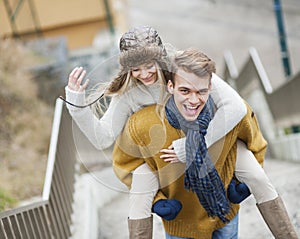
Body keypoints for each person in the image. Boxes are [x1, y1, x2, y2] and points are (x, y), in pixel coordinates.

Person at [64, 26, 247, 235]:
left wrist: (194, 145)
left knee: (254, 178)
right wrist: (76, 103)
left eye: (149, 65)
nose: (144, 74)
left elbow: (236, 107)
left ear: (160, 59)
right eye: (136, 69)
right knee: (142, 196)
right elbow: (103, 138)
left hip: (207, 157)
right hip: (169, 174)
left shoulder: (184, 71)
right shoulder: (128, 94)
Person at [112, 48, 298, 239]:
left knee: (260, 180)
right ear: (170, 87)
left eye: (201, 91)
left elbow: (254, 141)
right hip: (182, 221)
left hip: (224, 211)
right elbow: (126, 164)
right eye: (185, 90)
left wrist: (241, 183)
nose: (193, 100)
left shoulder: (229, 115)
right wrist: (157, 201)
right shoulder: (143, 124)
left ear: (210, 88)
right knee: (139, 195)